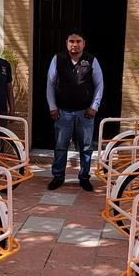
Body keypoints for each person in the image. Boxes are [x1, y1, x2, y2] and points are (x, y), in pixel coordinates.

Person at [46, 29, 103, 192]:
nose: (75, 45)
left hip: (85, 113)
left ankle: (84, 177)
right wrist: (52, 107)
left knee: (86, 148)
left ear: (83, 44)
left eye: (78, 41)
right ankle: (58, 177)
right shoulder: (58, 59)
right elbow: (50, 84)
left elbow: (99, 85)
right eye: (72, 41)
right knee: (60, 146)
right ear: (67, 44)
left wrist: (94, 106)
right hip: (63, 112)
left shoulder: (91, 60)